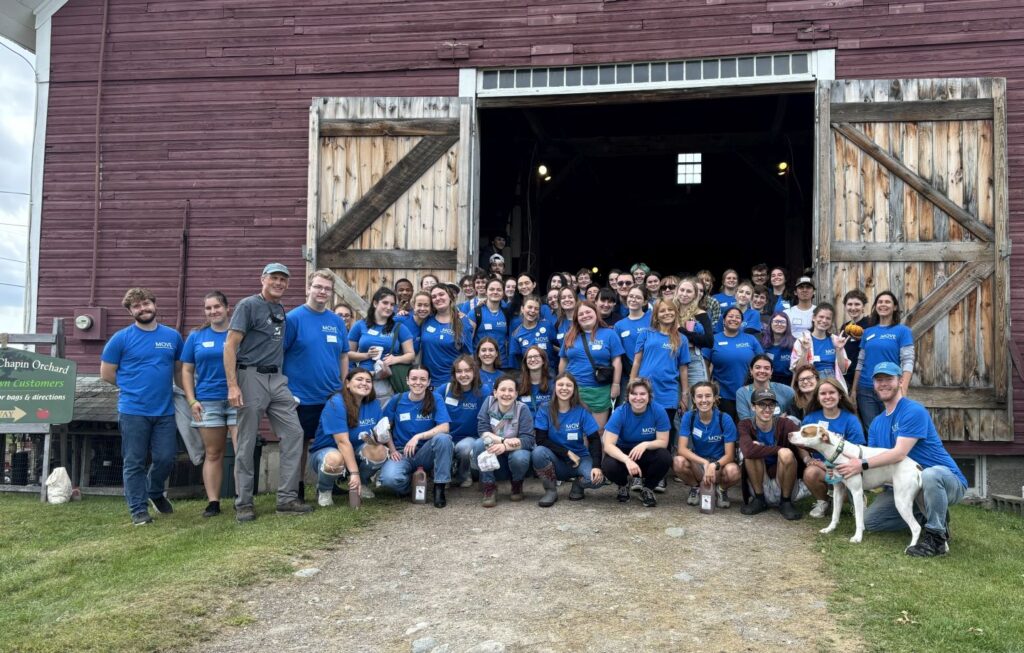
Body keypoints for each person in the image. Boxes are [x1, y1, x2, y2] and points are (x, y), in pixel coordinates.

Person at [836, 362, 967, 557]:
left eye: (889, 379)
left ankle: (937, 538)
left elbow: (899, 454)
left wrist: (861, 464)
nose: (883, 384)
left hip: (942, 479)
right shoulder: (877, 423)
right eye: (879, 380)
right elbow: (877, 461)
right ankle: (929, 515)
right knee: (872, 521)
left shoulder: (913, 411)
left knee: (930, 476)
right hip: (903, 483)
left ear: (900, 381)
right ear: (873, 384)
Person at [224, 263, 313, 521]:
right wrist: (233, 384)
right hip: (250, 375)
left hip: (277, 378)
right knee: (247, 440)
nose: (279, 283)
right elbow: (230, 345)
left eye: (283, 280)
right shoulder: (248, 305)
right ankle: (243, 503)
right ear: (263, 278)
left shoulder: (279, 309)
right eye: (274, 278)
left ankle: (286, 499)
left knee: (295, 433)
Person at [100, 287, 183, 526]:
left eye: (146, 303)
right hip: (133, 410)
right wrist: (132, 387)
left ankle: (155, 492)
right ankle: (138, 509)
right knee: (134, 461)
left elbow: (178, 370)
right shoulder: (121, 339)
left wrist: (190, 396)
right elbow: (107, 373)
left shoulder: (172, 337)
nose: (143, 308)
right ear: (130, 311)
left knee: (166, 458)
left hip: (165, 410)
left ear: (154, 305)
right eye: (136, 306)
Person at [283, 270, 350, 500]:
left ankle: (331, 482)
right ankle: (297, 488)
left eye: (327, 289)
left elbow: (343, 355)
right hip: (301, 396)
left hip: (331, 395)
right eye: (318, 287)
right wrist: (285, 390)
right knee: (299, 444)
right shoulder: (293, 319)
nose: (322, 292)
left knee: (332, 439)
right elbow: (279, 355)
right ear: (308, 288)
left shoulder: (336, 322)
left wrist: (343, 386)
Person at [180, 291, 236, 518]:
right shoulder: (196, 336)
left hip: (237, 399)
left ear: (227, 308)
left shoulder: (239, 333)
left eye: (217, 307)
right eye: (208, 308)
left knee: (242, 451)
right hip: (207, 401)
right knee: (213, 453)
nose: (213, 311)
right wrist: (191, 400)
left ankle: (243, 500)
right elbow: (186, 369)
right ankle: (213, 502)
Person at [380, 365, 453, 507]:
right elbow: (384, 428)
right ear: (407, 380)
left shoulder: (435, 398)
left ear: (428, 382)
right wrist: (393, 450)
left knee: (444, 439)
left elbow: (444, 427)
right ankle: (412, 486)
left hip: (426, 452)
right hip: (402, 453)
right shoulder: (397, 399)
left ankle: (439, 487)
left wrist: (418, 436)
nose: (418, 382)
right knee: (389, 479)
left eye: (422, 379)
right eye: (413, 379)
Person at [308, 369, 382, 506]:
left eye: (368, 381)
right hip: (328, 451)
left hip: (356, 450)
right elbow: (342, 442)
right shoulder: (336, 403)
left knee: (379, 451)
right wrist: (354, 473)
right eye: (359, 379)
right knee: (335, 458)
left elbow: (377, 433)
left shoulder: (374, 404)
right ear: (347, 383)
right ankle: (324, 490)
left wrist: (378, 440)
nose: (364, 383)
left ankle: (364, 483)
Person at [631, 298, 690, 466]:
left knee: (665, 431)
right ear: (656, 315)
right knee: (643, 430)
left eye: (670, 310)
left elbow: (683, 369)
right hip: (645, 391)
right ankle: (639, 466)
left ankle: (660, 470)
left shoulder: (681, 339)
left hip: (668, 391)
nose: (667, 313)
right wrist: (632, 384)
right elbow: (637, 361)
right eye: (662, 311)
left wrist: (684, 394)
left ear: (676, 312)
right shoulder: (646, 333)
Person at [532, 373, 604, 506]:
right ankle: (550, 490)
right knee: (538, 452)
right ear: (554, 388)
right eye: (560, 384)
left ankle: (579, 484)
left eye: (568, 385)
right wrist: (567, 453)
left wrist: (596, 466)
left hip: (580, 459)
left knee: (597, 480)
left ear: (574, 389)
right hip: (556, 461)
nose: (564, 388)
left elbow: (594, 439)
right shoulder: (545, 409)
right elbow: (541, 439)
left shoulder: (582, 410)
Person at [799, 377, 865, 519]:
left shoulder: (851, 420)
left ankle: (857, 500)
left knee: (847, 481)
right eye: (823, 393)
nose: (827, 396)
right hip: (820, 470)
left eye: (832, 392)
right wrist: (807, 458)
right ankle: (823, 502)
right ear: (817, 397)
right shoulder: (811, 418)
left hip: (845, 469)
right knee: (810, 473)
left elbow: (858, 450)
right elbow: (801, 443)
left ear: (840, 395)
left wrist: (830, 466)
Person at [601, 378, 672, 507]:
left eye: (642, 394)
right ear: (628, 396)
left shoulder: (658, 410)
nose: (638, 398)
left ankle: (648, 488)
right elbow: (608, 445)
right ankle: (623, 484)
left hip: (646, 453)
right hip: (624, 452)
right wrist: (627, 460)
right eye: (634, 394)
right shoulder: (620, 412)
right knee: (608, 465)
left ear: (649, 396)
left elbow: (663, 442)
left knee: (665, 457)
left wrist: (645, 444)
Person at [673, 381, 742, 509]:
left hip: (719, 465)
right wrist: (705, 463)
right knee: (678, 462)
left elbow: (730, 455)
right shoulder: (689, 417)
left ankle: (721, 490)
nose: (704, 400)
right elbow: (682, 449)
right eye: (699, 396)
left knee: (733, 471)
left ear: (715, 398)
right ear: (693, 399)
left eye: (708, 396)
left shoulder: (724, 418)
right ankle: (696, 487)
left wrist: (713, 465)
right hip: (699, 464)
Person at [851, 291, 914, 428]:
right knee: (872, 428)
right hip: (866, 389)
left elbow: (908, 361)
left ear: (895, 307)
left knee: (893, 427)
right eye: (880, 302)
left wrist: (903, 388)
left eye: (887, 302)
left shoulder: (903, 331)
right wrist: (854, 390)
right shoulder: (868, 332)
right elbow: (860, 363)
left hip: (890, 388)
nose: (883, 304)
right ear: (875, 306)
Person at [737, 389, 804, 520]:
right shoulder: (745, 424)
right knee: (752, 452)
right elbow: (748, 451)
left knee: (787, 454)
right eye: (762, 404)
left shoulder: (786, 423)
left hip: (783, 476)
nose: (767, 409)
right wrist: (778, 449)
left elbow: (803, 442)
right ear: (753, 407)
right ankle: (759, 499)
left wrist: (808, 458)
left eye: (771, 405)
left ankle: (786, 501)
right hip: (760, 479)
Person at [558, 300, 625, 428]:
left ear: (596, 313)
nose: (585, 316)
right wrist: (561, 384)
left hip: (599, 390)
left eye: (588, 312)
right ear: (576, 318)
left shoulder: (609, 334)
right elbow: (563, 360)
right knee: (576, 429)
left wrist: (616, 384)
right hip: (574, 390)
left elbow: (617, 360)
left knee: (598, 430)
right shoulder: (570, 336)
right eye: (581, 314)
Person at [473, 375, 536, 507]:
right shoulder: (489, 402)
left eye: (510, 390)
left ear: (516, 394)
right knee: (479, 444)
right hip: (495, 452)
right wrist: (502, 441)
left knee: (521, 456)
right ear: (495, 392)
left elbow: (528, 440)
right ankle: (489, 486)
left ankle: (517, 483)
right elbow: (482, 430)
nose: (506, 394)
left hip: (514, 453)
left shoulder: (522, 409)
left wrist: (505, 447)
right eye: (502, 390)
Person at [347, 287, 416, 404]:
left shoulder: (399, 327)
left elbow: (411, 355)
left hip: (388, 379)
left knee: (385, 417)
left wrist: (395, 359)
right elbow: (347, 354)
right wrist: (367, 355)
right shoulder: (360, 325)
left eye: (392, 304)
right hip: (364, 378)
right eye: (385, 303)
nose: (389, 307)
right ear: (375, 303)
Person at [703, 306, 764, 421]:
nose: (734, 319)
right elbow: (704, 364)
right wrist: (709, 385)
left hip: (749, 393)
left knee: (746, 428)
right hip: (723, 394)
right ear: (723, 320)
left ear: (741, 321)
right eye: (730, 316)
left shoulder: (750, 339)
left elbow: (762, 361)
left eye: (737, 317)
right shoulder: (713, 339)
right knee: (726, 428)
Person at [440, 355, 490, 488]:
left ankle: (463, 475)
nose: (463, 375)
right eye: (459, 371)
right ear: (454, 374)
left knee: (464, 448)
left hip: (470, 437)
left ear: (474, 372)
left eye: (467, 370)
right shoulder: (445, 389)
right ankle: (445, 475)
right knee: (443, 443)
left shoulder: (483, 391)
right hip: (448, 435)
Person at [420, 284, 474, 383]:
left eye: (441, 294)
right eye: (434, 297)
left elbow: (468, 356)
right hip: (427, 382)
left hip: (453, 382)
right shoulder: (426, 319)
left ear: (450, 297)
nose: (438, 298)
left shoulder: (462, 322)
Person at [791, 303, 850, 385]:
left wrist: (839, 350)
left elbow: (842, 370)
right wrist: (805, 351)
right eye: (821, 317)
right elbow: (798, 371)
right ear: (813, 318)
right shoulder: (802, 341)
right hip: (810, 384)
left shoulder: (836, 341)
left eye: (828, 318)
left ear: (831, 321)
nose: (824, 320)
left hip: (833, 384)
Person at [735, 354, 796, 423]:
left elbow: (800, 400)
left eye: (766, 368)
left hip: (781, 433)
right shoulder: (742, 393)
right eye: (758, 367)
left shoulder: (784, 390)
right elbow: (746, 423)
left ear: (771, 372)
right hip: (754, 433)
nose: (762, 371)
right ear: (751, 370)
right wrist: (778, 420)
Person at [676, 277, 713, 386]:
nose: (684, 294)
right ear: (677, 291)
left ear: (695, 295)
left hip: (692, 358)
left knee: (695, 399)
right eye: (682, 290)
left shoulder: (701, 313)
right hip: (671, 358)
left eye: (689, 291)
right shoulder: (670, 310)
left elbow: (709, 341)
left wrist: (681, 329)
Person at [471, 278, 513, 369]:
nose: (495, 292)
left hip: (502, 364)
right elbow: (468, 340)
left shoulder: (507, 313)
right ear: (486, 292)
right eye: (491, 289)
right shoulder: (476, 312)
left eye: (499, 290)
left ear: (503, 293)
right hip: (479, 364)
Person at [509, 295, 556, 368]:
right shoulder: (516, 334)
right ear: (522, 309)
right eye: (530, 307)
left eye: (536, 309)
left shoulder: (547, 326)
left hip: (549, 373)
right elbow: (515, 362)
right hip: (528, 375)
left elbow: (560, 346)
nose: (533, 311)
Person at [839, 289, 870, 390]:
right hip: (846, 378)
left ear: (863, 306)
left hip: (865, 378)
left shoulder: (871, 325)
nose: (853, 308)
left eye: (857, 304)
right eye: (849, 304)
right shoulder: (844, 327)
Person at [615, 285, 651, 368]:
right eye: (631, 296)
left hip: (652, 370)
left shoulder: (652, 319)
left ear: (645, 302)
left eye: (638, 297)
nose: (633, 300)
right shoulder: (619, 325)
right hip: (630, 372)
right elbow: (618, 355)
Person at [762, 311, 795, 385]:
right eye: (776, 321)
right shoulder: (763, 343)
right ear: (771, 324)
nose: (779, 324)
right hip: (767, 383)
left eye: (782, 322)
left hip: (788, 383)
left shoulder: (795, 344)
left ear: (787, 325)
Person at [396, 290, 432, 357]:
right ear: (413, 306)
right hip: (396, 363)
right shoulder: (401, 320)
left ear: (431, 307)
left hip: (417, 365)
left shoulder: (432, 323)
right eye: (419, 305)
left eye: (426, 305)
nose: (422, 308)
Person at [517, 344, 553, 411]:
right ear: (525, 362)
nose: (533, 359)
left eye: (536, 356)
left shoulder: (552, 383)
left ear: (543, 361)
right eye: (529, 357)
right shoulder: (518, 384)